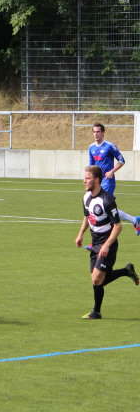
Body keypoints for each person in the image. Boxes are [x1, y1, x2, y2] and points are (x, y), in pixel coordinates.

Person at [75, 166, 139, 319]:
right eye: (84, 178)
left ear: (97, 180)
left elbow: (118, 226)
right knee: (98, 280)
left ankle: (96, 312)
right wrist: (80, 234)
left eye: (88, 178)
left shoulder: (107, 200)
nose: (84, 181)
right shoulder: (86, 197)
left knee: (97, 279)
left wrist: (106, 245)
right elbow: (87, 217)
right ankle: (126, 271)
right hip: (95, 243)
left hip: (108, 244)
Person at [88, 123, 140, 234]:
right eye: (94, 132)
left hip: (108, 182)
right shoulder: (91, 147)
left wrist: (112, 171)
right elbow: (91, 166)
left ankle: (106, 234)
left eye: (98, 132)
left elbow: (122, 160)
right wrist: (90, 180)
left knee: (103, 206)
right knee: (107, 208)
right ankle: (135, 220)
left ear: (103, 133)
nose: (96, 134)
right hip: (97, 182)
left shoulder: (109, 146)